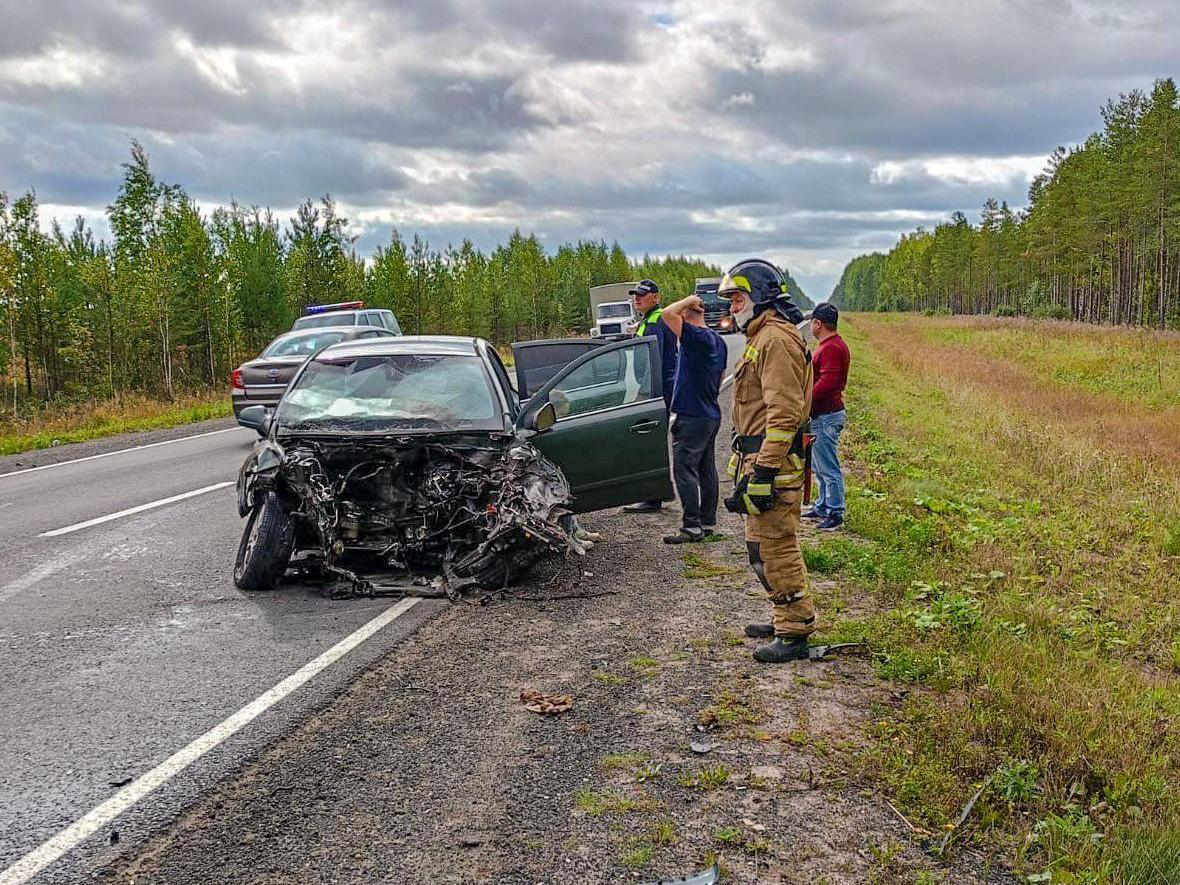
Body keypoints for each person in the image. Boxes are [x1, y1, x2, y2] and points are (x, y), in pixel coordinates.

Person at [718, 258, 816, 664]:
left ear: (759, 298)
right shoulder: (763, 338)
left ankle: (794, 631)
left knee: (774, 547)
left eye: (738, 298)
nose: (732, 308)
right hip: (760, 461)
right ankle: (784, 616)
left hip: (772, 466)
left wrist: (764, 471)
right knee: (764, 546)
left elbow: (784, 415)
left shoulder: (775, 341)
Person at [659, 294, 727, 544]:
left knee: (684, 469)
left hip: (692, 415)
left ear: (688, 313)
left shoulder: (695, 338)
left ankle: (691, 527)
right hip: (709, 412)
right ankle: (707, 523)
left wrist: (688, 299)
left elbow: (667, 314)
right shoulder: (719, 342)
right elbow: (720, 378)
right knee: (706, 469)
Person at [622, 279, 678, 514]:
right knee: (652, 440)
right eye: (635, 295)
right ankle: (658, 493)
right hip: (659, 387)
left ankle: (654, 496)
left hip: (658, 388)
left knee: (651, 442)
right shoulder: (648, 320)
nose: (637, 299)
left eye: (642, 295)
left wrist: (646, 393)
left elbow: (654, 359)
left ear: (656, 297)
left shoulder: (656, 320)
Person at [803, 302, 850, 532]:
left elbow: (828, 383)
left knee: (828, 466)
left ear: (818, 324)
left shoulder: (831, 348)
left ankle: (835, 512)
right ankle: (822, 505)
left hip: (827, 416)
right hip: (823, 415)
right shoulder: (831, 345)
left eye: (812, 322)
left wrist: (805, 401)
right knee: (820, 465)